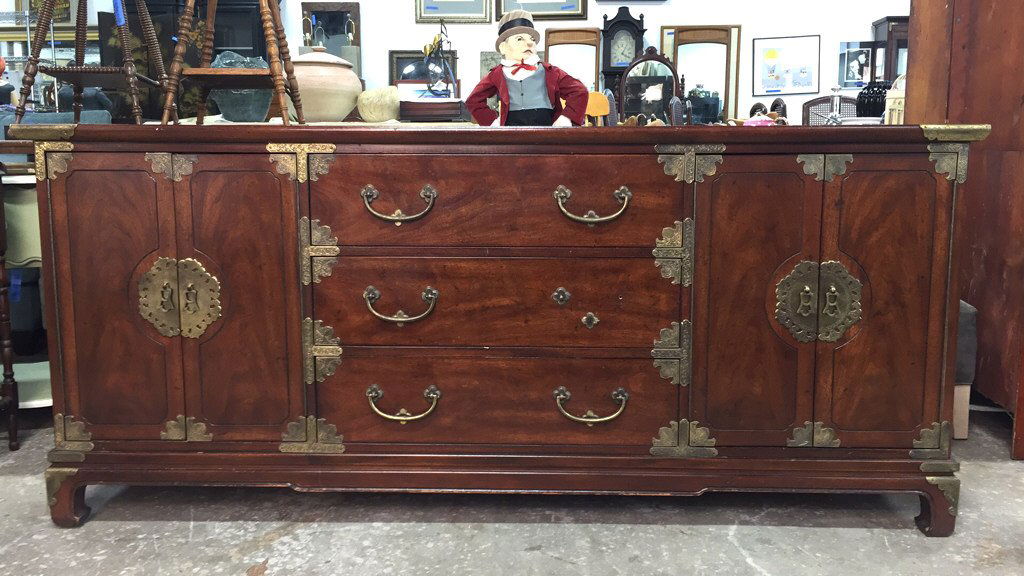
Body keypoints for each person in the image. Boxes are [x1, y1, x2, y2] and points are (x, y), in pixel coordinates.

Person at [466, 10, 588, 127]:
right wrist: (492, 123)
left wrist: (566, 118)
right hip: (511, 135)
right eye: (520, 39)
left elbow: (579, 91)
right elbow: (474, 100)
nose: (529, 43)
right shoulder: (497, 74)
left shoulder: (551, 72)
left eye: (532, 39)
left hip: (546, 133)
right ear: (503, 47)